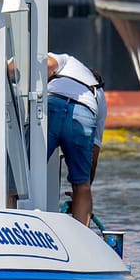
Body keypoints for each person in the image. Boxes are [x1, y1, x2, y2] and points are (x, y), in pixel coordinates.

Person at [45, 52, 105, 227]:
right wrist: (80, 189)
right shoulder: (100, 96)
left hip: (53, 105)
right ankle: (81, 237)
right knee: (83, 187)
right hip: (85, 113)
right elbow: (93, 156)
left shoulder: (67, 60)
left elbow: (47, 64)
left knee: (23, 176)